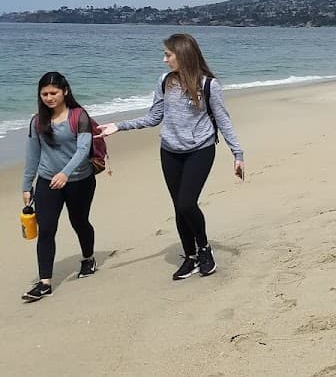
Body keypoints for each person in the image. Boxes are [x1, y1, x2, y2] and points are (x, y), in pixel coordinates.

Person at [98, 33, 245, 281]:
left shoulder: (209, 85)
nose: (164, 59)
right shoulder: (165, 81)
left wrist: (237, 153)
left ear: (183, 54)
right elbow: (154, 117)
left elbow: (223, 119)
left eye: (168, 54)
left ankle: (205, 249)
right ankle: (191, 257)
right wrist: (120, 126)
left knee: (187, 203)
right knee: (179, 208)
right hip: (170, 151)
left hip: (200, 149)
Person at [21, 72, 98, 301]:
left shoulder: (79, 116)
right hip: (47, 181)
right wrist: (27, 185)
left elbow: (83, 150)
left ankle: (88, 258)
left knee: (79, 222)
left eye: (53, 93)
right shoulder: (37, 121)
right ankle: (45, 282)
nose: (49, 97)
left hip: (80, 180)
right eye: (44, 94)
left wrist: (65, 173)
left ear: (64, 91)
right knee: (46, 228)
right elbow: (33, 154)